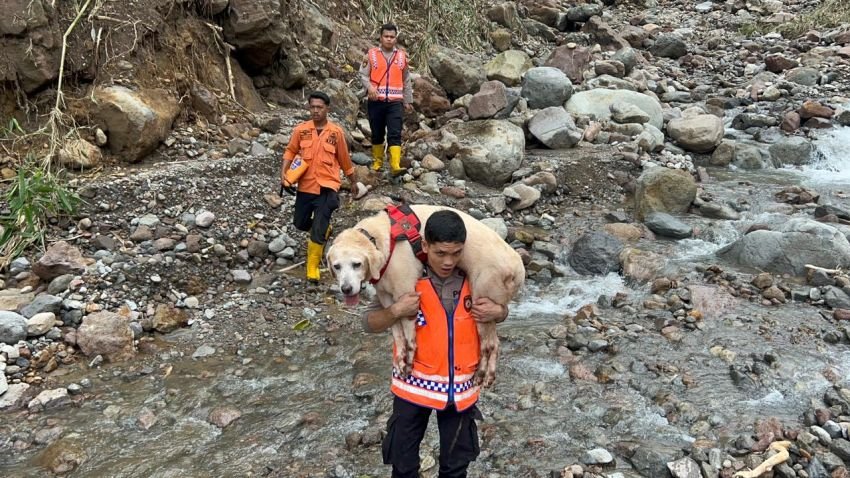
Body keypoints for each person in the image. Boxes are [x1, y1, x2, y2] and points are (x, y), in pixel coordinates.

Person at [362, 210, 509, 478]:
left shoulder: (476, 277)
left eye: (456, 253)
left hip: (461, 390)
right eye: (440, 253)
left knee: (455, 469)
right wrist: (395, 310)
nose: (448, 261)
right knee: (403, 468)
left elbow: (500, 312)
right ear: (425, 245)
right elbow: (368, 323)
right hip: (413, 387)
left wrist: (499, 313)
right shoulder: (403, 276)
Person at [280, 91, 356, 283]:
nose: (315, 111)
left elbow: (344, 159)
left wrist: (353, 182)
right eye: (312, 107)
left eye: (319, 107)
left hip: (327, 187)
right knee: (299, 222)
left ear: (327, 109)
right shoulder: (301, 130)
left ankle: (312, 266)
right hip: (306, 186)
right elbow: (290, 151)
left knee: (319, 226)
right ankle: (323, 230)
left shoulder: (336, 133)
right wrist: (284, 174)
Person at [359, 22, 414, 176]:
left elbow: (406, 79)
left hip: (395, 101)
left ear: (396, 39)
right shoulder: (371, 55)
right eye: (386, 36)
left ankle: (395, 164)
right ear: (381, 38)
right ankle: (377, 162)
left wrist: (408, 100)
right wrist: (370, 88)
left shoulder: (402, 57)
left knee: (395, 133)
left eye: (392, 37)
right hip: (376, 100)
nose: (389, 39)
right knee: (376, 132)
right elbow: (363, 75)